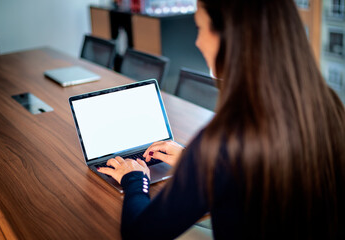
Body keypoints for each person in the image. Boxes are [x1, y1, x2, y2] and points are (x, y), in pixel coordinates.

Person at [98, 0, 345, 239]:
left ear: (229, 38)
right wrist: (193, 162)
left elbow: (140, 232)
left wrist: (136, 179)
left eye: (201, 28)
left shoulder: (223, 141)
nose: (198, 41)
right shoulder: (329, 105)